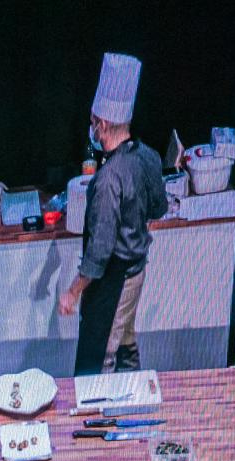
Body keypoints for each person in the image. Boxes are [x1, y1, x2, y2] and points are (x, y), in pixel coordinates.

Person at [58, 53, 167, 376]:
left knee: (98, 360)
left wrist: (72, 291)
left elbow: (100, 251)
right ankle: (133, 402)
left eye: (93, 122)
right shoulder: (147, 156)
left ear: (102, 124)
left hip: (115, 278)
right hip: (137, 270)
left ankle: (100, 423)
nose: (92, 128)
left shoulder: (108, 180)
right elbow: (159, 207)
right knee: (125, 339)